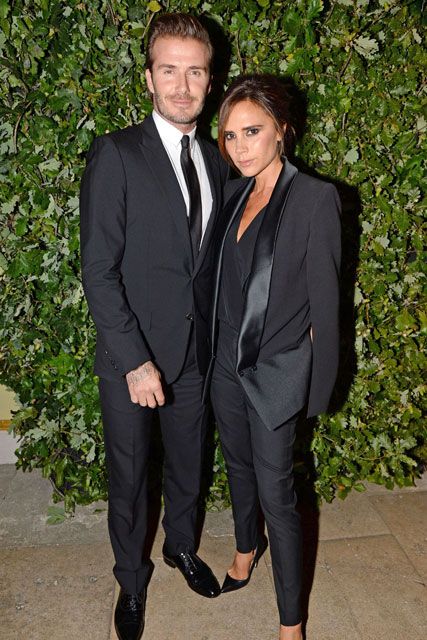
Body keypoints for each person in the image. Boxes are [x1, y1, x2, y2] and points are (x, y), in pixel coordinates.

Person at [80, 13, 229, 640]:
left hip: (197, 354)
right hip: (132, 360)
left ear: (210, 80)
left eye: (194, 71)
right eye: (169, 70)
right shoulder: (117, 153)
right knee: (132, 476)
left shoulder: (223, 159)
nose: (182, 84)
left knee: (189, 464)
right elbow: (98, 270)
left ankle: (181, 548)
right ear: (148, 78)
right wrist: (135, 360)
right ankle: (131, 582)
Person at [208, 75, 341, 640]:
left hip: (276, 372)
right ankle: (245, 548)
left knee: (278, 494)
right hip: (224, 365)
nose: (240, 147)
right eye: (231, 135)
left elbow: (327, 304)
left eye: (253, 131)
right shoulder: (233, 190)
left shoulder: (314, 198)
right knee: (236, 466)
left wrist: (315, 388)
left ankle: (292, 621)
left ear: (283, 130)